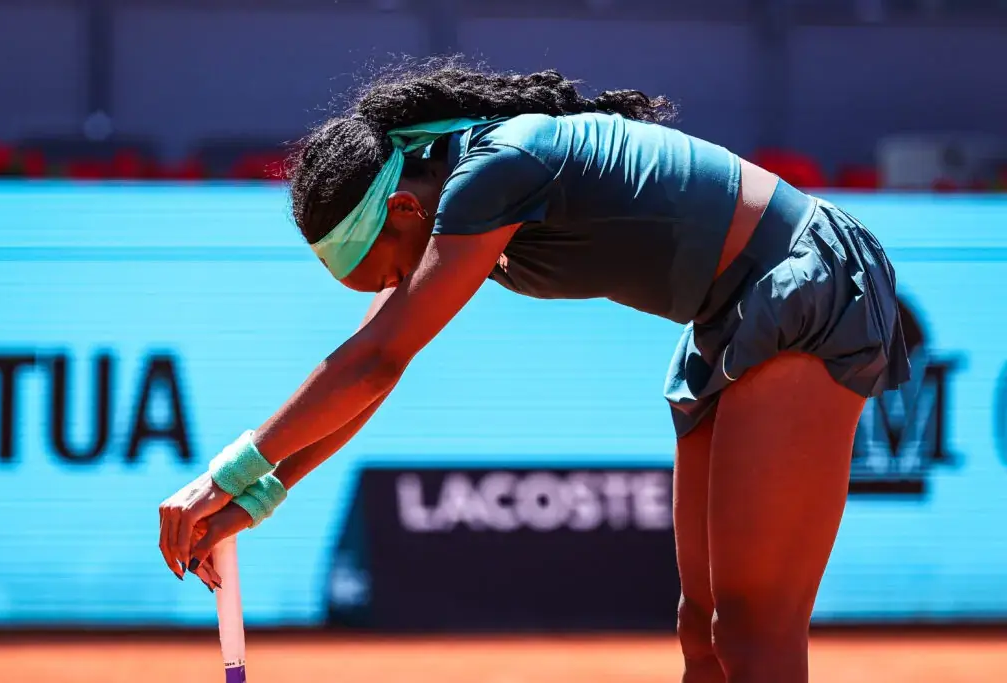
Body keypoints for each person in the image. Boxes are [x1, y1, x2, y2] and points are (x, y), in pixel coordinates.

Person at [158, 60, 909, 683]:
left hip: (796, 282)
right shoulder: (451, 199)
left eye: (387, 275)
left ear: (405, 211)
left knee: (750, 625)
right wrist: (259, 493)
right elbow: (372, 373)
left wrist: (226, 473)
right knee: (703, 628)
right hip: (729, 317)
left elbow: (377, 359)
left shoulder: (494, 170)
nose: (395, 291)